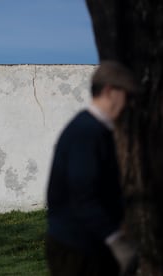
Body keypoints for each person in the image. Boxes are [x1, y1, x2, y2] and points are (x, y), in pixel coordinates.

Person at [46, 61, 138, 276]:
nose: (131, 105)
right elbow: (84, 197)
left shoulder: (94, 130)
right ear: (110, 91)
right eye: (129, 96)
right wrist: (116, 241)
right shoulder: (87, 133)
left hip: (87, 243)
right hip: (77, 249)